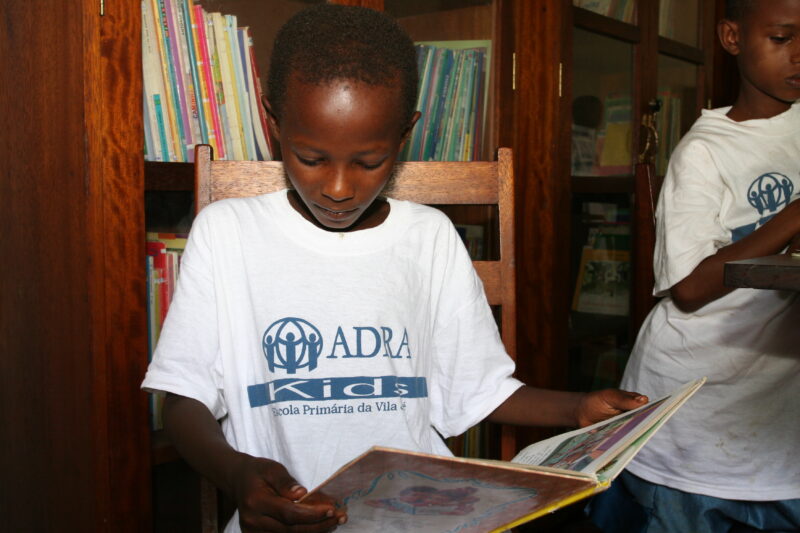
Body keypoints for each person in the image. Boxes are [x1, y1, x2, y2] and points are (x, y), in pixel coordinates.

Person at [141, 5, 648, 532]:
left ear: (405, 133)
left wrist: (579, 409)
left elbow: (479, 390)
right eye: (311, 158)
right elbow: (183, 399)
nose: (339, 188)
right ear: (274, 121)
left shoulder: (429, 237)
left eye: (369, 162)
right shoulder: (228, 233)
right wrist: (236, 472)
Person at [588, 1, 800, 532]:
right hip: (698, 409)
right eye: (782, 38)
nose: (799, 54)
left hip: (775, 412)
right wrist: (792, 216)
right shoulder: (705, 151)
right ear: (732, 37)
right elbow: (686, 287)